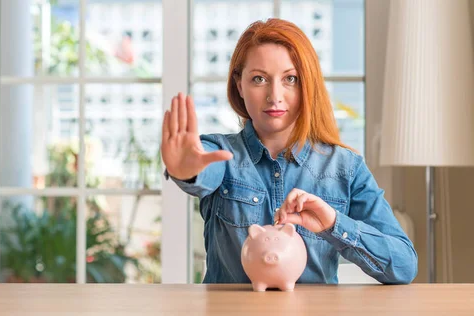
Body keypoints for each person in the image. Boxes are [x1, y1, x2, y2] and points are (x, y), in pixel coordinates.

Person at [161, 18, 417, 285]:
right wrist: (187, 171)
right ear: (239, 85)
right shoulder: (220, 153)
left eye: (290, 79)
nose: (275, 95)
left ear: (307, 84)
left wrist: (333, 224)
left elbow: (403, 266)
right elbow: (203, 169)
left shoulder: (345, 167)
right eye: (259, 79)